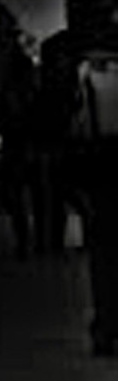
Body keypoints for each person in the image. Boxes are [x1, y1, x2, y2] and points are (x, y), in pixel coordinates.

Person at [73, 50, 118, 358]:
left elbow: (80, 130)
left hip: (102, 173)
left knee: (104, 259)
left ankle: (106, 327)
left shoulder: (87, 79)